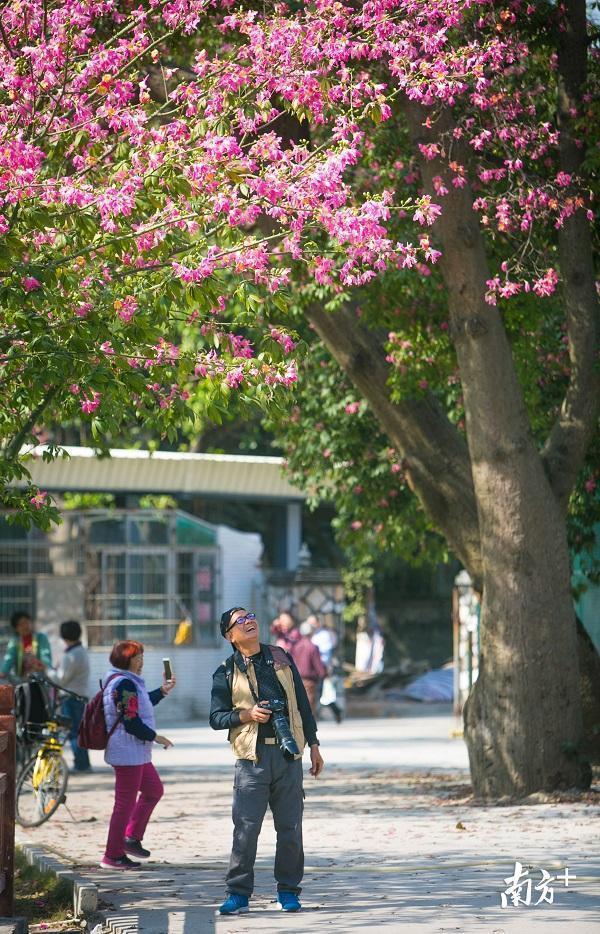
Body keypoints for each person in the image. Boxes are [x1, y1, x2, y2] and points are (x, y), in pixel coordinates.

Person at [210, 607, 324, 916]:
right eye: (240, 621)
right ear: (230, 636)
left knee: (290, 828)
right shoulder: (226, 671)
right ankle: (238, 894)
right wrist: (247, 715)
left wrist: (313, 745)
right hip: (252, 759)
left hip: (288, 756)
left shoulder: (281, 657)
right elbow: (216, 717)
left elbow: (301, 702)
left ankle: (288, 891)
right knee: (246, 831)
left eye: (250, 617)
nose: (249, 622)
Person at [100, 640, 175, 870]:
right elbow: (131, 721)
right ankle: (112, 855)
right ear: (126, 660)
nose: (141, 662)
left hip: (137, 753)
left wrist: (162, 691)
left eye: (142, 657)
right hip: (127, 754)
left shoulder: (129, 682)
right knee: (123, 804)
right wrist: (156, 736)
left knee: (154, 790)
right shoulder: (124, 684)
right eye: (137, 658)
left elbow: (142, 705)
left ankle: (130, 838)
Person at [53, 620, 91, 772]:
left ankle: (81, 765)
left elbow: (61, 678)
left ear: (63, 635)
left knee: (74, 732)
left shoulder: (72, 654)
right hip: (79, 696)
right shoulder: (80, 651)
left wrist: (46, 670)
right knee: (79, 731)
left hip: (71, 697)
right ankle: (84, 764)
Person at [0, 610, 52, 679]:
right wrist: (3, 672)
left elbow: (45, 655)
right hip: (22, 680)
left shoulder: (41, 637)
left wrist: (44, 665)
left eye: (26, 622)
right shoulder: (14, 641)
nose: (25, 626)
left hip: (41, 678)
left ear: (31, 622)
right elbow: (9, 658)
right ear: (16, 628)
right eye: (21, 624)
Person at [292, 621, 327, 715]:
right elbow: (318, 665)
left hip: (297, 678)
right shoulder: (313, 647)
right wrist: (323, 674)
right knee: (310, 703)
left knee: (299, 702)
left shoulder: (296, 646)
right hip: (310, 680)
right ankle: (309, 725)